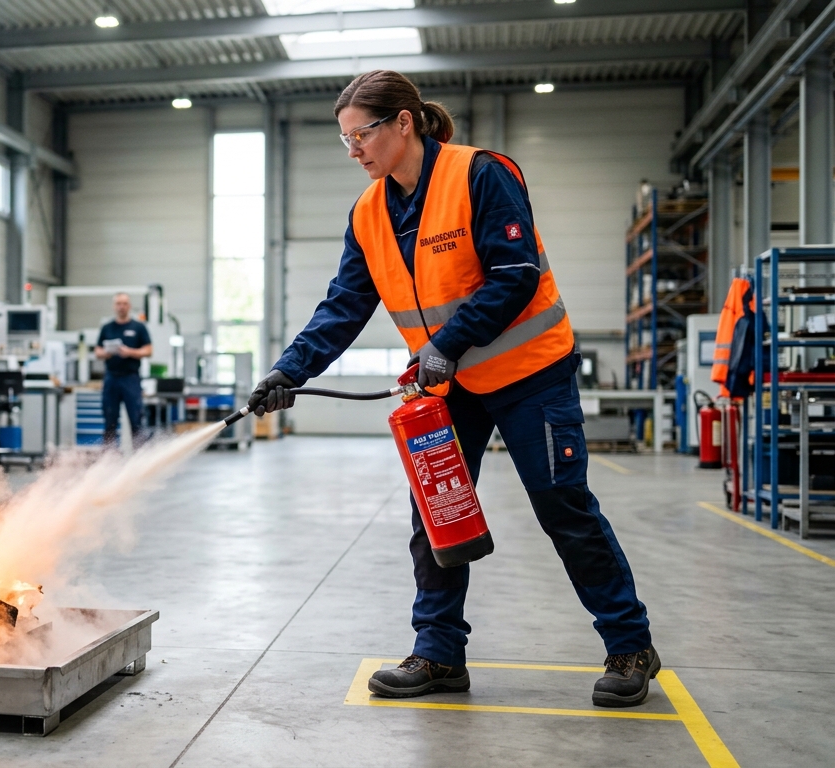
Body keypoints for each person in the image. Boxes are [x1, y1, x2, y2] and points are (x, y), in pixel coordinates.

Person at [248, 70, 657, 708]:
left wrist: (448, 342)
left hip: (529, 375)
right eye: (345, 140)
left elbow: (515, 272)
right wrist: (289, 370)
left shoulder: (481, 174)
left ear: (403, 123)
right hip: (449, 385)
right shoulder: (368, 212)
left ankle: (630, 644)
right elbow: (344, 304)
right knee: (436, 513)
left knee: (562, 508)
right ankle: (439, 654)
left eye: (361, 135)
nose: (353, 149)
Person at [95, 293, 153, 445]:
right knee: (109, 421)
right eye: (118, 303)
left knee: (136, 421)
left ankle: (139, 461)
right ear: (114, 306)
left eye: (124, 303)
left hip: (130, 379)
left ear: (129, 306)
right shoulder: (107, 328)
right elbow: (97, 351)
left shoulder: (139, 328)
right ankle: (109, 460)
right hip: (111, 378)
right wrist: (107, 353)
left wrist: (130, 352)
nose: (121, 307)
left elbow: (148, 350)